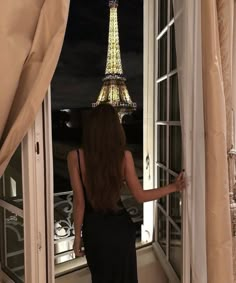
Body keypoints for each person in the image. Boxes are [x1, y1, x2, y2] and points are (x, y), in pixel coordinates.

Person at [67, 103, 185, 283]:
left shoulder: (75, 156)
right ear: (115, 128)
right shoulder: (124, 156)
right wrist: (173, 187)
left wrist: (77, 237)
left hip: (95, 231)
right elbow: (140, 196)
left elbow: (79, 203)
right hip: (120, 229)